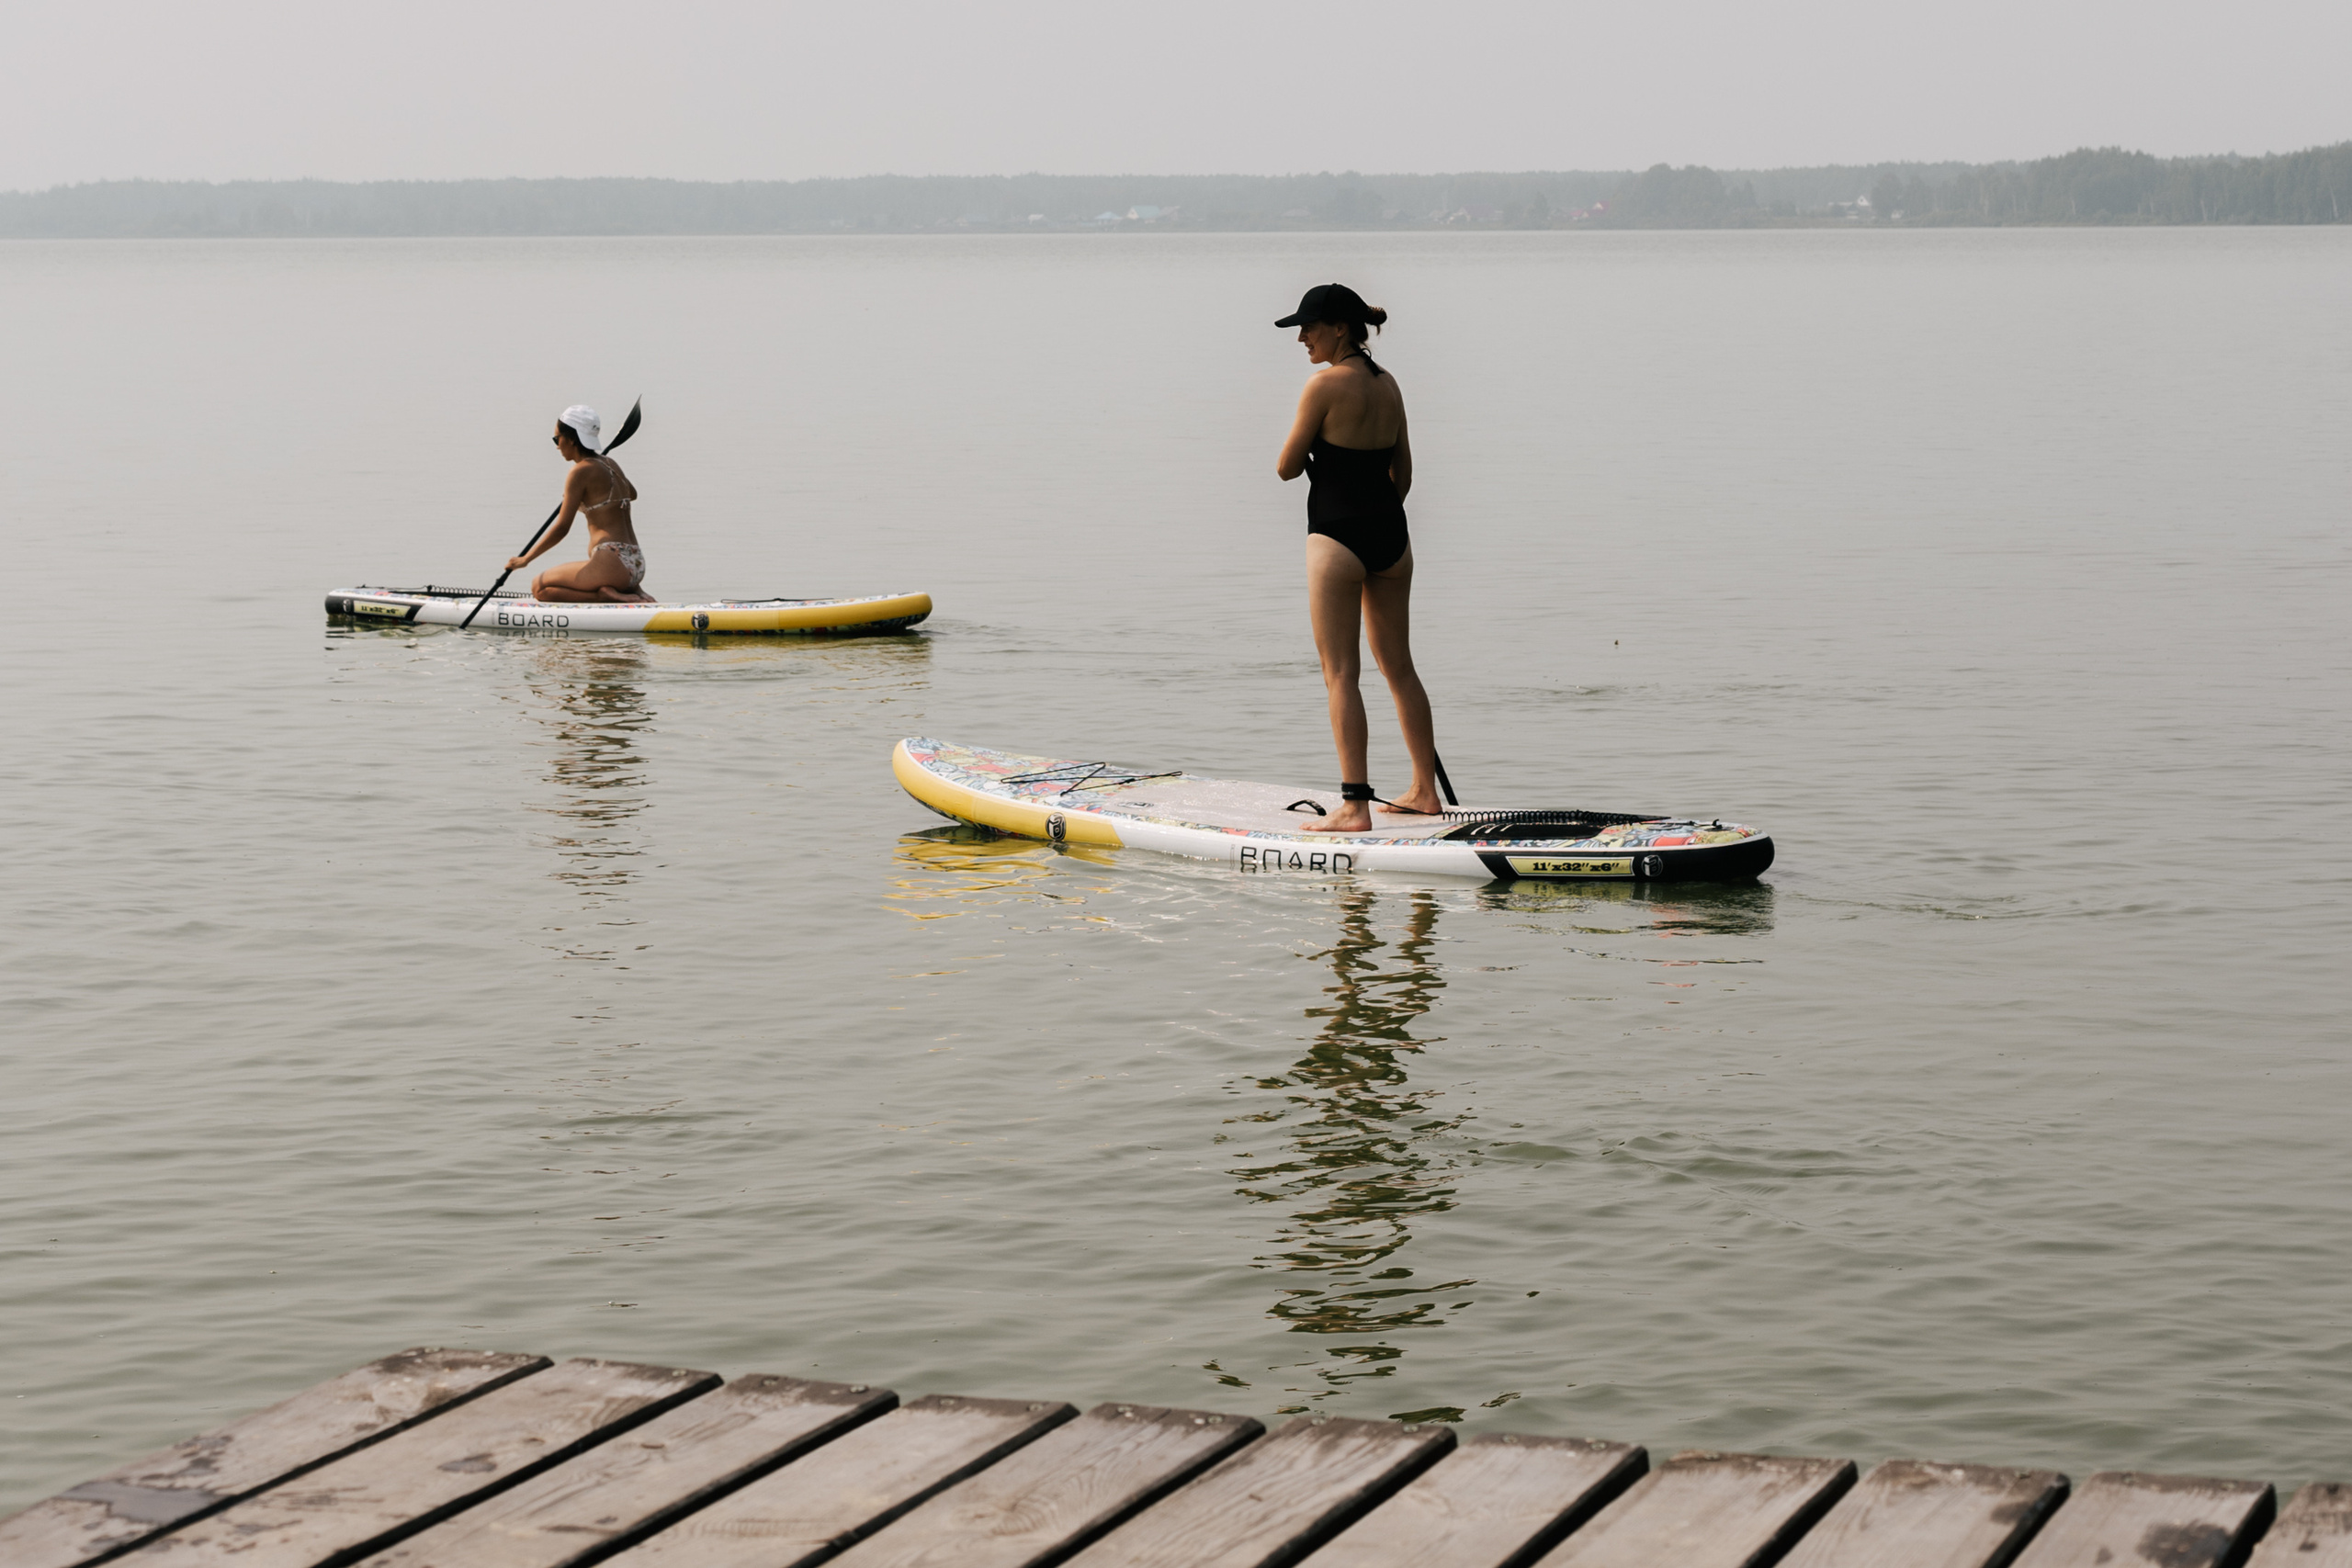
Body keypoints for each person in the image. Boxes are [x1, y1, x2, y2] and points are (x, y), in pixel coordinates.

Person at [1273, 283, 1441, 833]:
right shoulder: (1390, 386)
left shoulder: (1323, 386)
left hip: (1336, 539)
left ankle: (1355, 807)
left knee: (1341, 673)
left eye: (1309, 328)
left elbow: (1287, 467)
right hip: (1392, 537)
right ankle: (1423, 791)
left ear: (1340, 328)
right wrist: (1377, 513)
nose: (1302, 338)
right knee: (1401, 668)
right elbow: (1405, 474)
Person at [507, 405, 652, 603]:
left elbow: (562, 528)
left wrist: (526, 559)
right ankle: (629, 591)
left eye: (557, 439)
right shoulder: (610, 463)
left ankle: (605, 596)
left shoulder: (579, 472)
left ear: (572, 439)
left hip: (611, 563)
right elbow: (631, 494)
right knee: (548, 589)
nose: (557, 446)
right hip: (635, 562)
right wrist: (582, 498)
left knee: (539, 586)